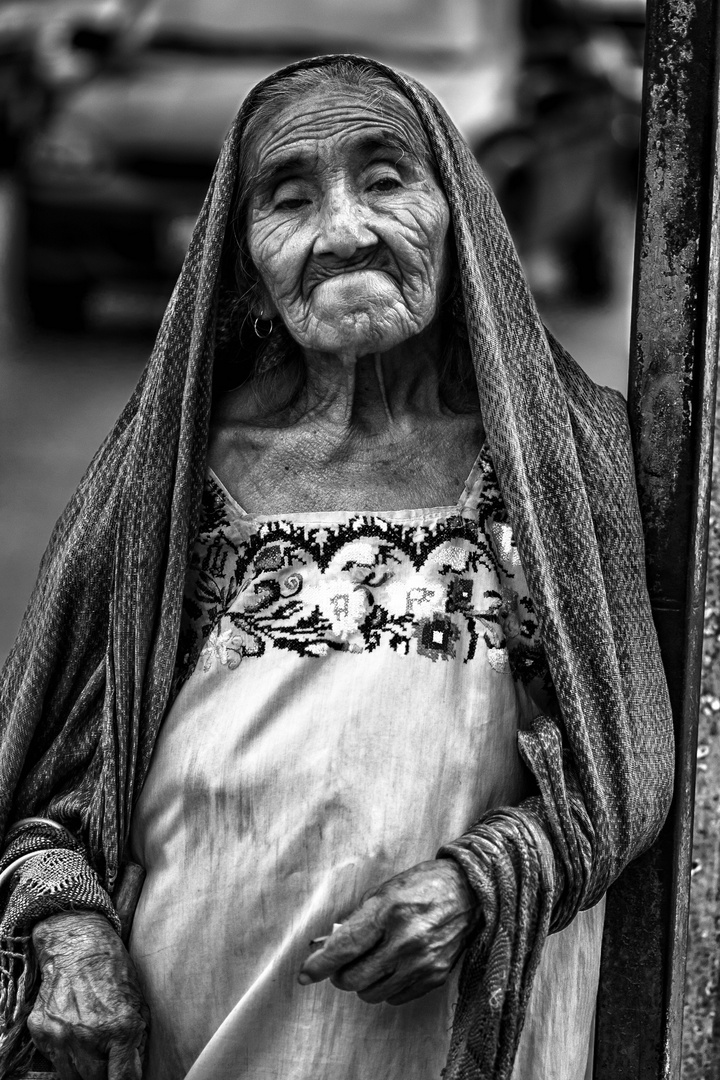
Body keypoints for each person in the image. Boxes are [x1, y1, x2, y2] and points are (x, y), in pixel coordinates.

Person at [0, 54, 673, 1080]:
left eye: (387, 178)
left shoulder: (562, 464)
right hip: (190, 1023)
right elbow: (44, 779)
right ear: (242, 261)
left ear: (463, 217)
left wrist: (475, 886)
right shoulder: (173, 479)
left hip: (462, 1030)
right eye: (290, 197)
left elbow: (628, 765)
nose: (345, 230)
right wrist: (68, 930)